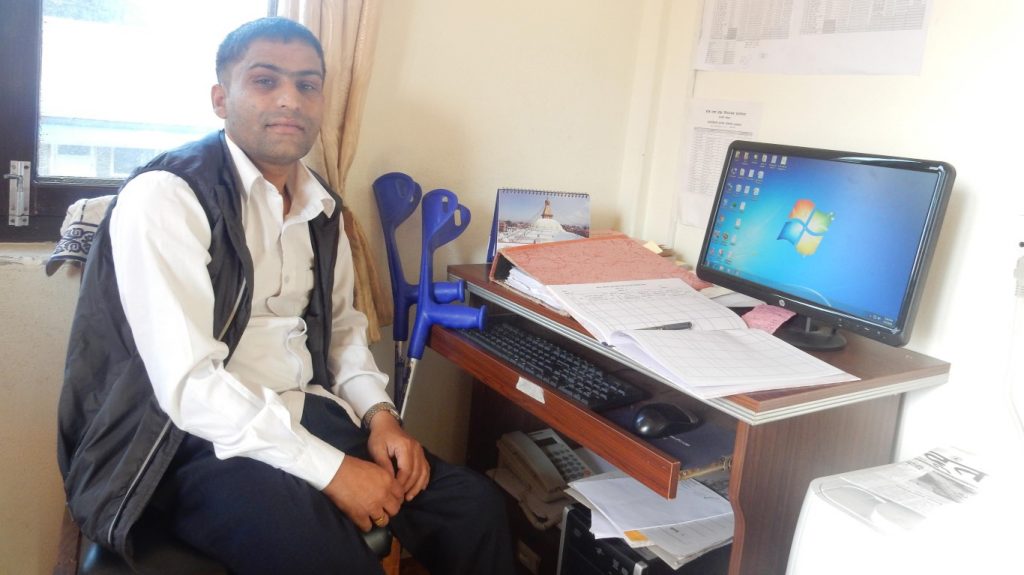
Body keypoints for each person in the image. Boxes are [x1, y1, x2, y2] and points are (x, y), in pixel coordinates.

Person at [57, 17, 515, 574]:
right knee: (329, 558)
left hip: (301, 412)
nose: (290, 100)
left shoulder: (322, 209)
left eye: (307, 85)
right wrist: (333, 471)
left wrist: (380, 417)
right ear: (221, 99)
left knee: (475, 509)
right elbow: (189, 387)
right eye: (265, 80)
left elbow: (343, 333)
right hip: (182, 442)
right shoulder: (167, 197)